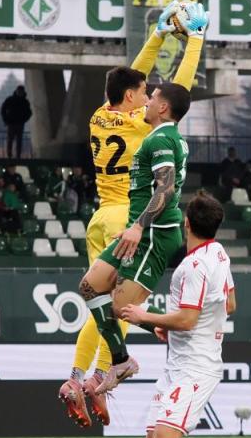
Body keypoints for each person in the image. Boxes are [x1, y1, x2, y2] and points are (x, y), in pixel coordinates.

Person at [59, 2, 206, 428]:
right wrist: (193, 42)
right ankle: (105, 372)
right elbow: (177, 92)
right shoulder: (148, 125)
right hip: (129, 218)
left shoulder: (100, 115)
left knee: (98, 300)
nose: (149, 95)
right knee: (120, 309)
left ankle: (77, 376)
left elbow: (130, 79)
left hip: (100, 216)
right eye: (144, 94)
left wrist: (158, 38)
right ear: (134, 99)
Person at [73, 81, 195, 397]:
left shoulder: (163, 140)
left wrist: (139, 226)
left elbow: (165, 189)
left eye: (152, 98)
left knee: (117, 308)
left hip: (154, 235)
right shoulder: (159, 137)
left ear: (163, 108)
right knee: (89, 287)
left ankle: (176, 328)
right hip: (138, 229)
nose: (146, 103)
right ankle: (122, 359)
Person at [119, 192, 236, 438]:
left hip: (195, 367)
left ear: (186, 223)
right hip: (180, 365)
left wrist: (147, 317)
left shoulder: (193, 266)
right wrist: (171, 328)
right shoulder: (220, 254)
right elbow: (230, 304)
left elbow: (187, 320)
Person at [0, 85, 33, 159]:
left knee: (12, 140)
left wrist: (6, 119)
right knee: (17, 141)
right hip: (17, 124)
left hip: (13, 123)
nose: (20, 93)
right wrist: (23, 120)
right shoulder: (25, 102)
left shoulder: (11, 100)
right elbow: (29, 113)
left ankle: (11, 156)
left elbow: (3, 109)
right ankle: (15, 156)